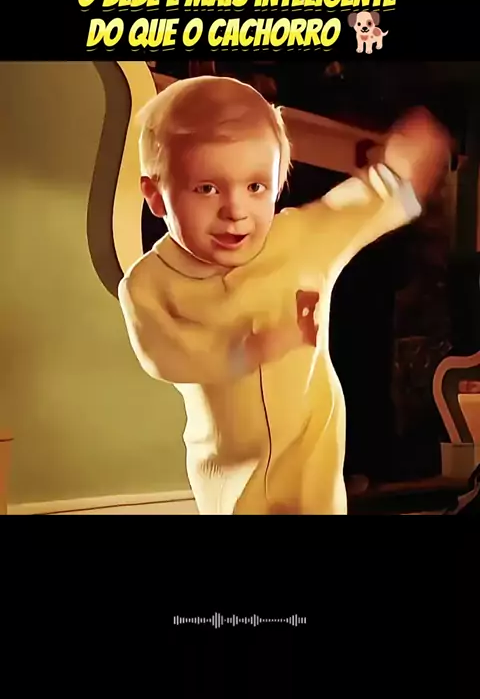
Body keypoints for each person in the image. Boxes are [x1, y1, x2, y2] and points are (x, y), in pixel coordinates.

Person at [118, 76, 451, 515]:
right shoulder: (149, 284)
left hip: (313, 467)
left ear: (277, 186)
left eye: (255, 187)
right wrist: (241, 353)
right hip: (230, 474)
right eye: (207, 188)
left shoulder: (298, 240)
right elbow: (164, 356)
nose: (235, 210)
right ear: (156, 196)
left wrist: (399, 175)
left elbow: (353, 209)